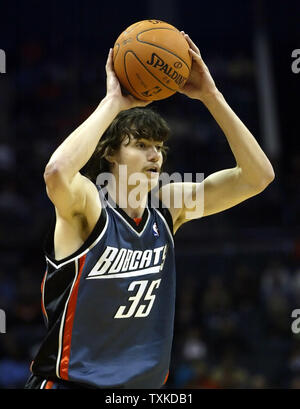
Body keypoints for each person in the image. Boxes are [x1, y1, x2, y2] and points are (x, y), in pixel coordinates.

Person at [25, 32, 274, 389]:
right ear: (110, 153)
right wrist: (113, 102)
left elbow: (258, 177)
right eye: (141, 145)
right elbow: (56, 172)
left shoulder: (168, 208)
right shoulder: (88, 207)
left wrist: (211, 96)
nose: (155, 155)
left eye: (158, 146)